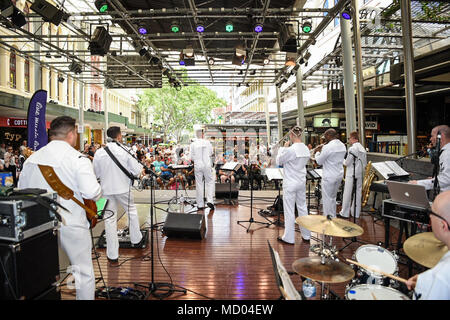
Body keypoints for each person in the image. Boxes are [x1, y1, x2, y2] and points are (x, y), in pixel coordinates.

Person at [18, 116, 102, 300]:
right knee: (82, 272)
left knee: (40, 274)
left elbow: (22, 192)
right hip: (71, 223)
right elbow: (92, 193)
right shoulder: (78, 159)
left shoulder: (31, 160)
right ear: (71, 134)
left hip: (38, 226)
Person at [93, 126, 144, 264]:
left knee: (109, 219)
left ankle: (112, 254)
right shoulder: (125, 150)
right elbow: (137, 169)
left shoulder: (99, 152)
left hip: (106, 190)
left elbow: (95, 174)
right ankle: (136, 240)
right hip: (123, 188)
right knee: (131, 211)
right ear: (119, 136)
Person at [406, 190, 450, 299]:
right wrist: (425, 281)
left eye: (432, 213)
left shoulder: (441, 276)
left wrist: (432, 281)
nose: (430, 217)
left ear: (443, 225)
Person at [276, 126, 311, 244]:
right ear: (300, 135)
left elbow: (279, 161)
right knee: (302, 208)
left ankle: (289, 237)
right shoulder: (306, 149)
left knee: (289, 210)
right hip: (301, 182)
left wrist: (283, 148)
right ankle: (306, 235)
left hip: (290, 183)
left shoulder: (290, 149)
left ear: (291, 135)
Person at [314, 128, 347, 217]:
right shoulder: (342, 145)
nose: (325, 139)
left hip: (329, 176)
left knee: (327, 198)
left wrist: (317, 152)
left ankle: (328, 217)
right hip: (339, 175)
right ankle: (333, 216)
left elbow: (319, 161)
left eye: (325, 137)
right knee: (333, 197)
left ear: (329, 136)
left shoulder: (327, 147)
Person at [410, 125, 450, 193]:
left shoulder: (448, 153)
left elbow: (447, 179)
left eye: (432, 136)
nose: (430, 139)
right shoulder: (445, 151)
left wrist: (418, 183)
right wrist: (435, 179)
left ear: (441, 136)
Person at [339, 131, 367, 218]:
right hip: (360, 173)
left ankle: (345, 213)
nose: (349, 140)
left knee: (347, 193)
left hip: (351, 173)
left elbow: (347, 163)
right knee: (358, 193)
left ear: (353, 138)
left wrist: (341, 160)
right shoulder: (362, 148)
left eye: (349, 138)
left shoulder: (352, 149)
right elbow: (364, 164)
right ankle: (355, 213)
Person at [189, 124, 215, 210]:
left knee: (199, 184)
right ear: (203, 134)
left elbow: (191, 157)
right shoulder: (208, 142)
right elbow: (211, 153)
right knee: (210, 182)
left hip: (198, 165)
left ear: (196, 134)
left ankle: (200, 204)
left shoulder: (193, 144)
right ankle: (210, 201)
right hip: (207, 164)